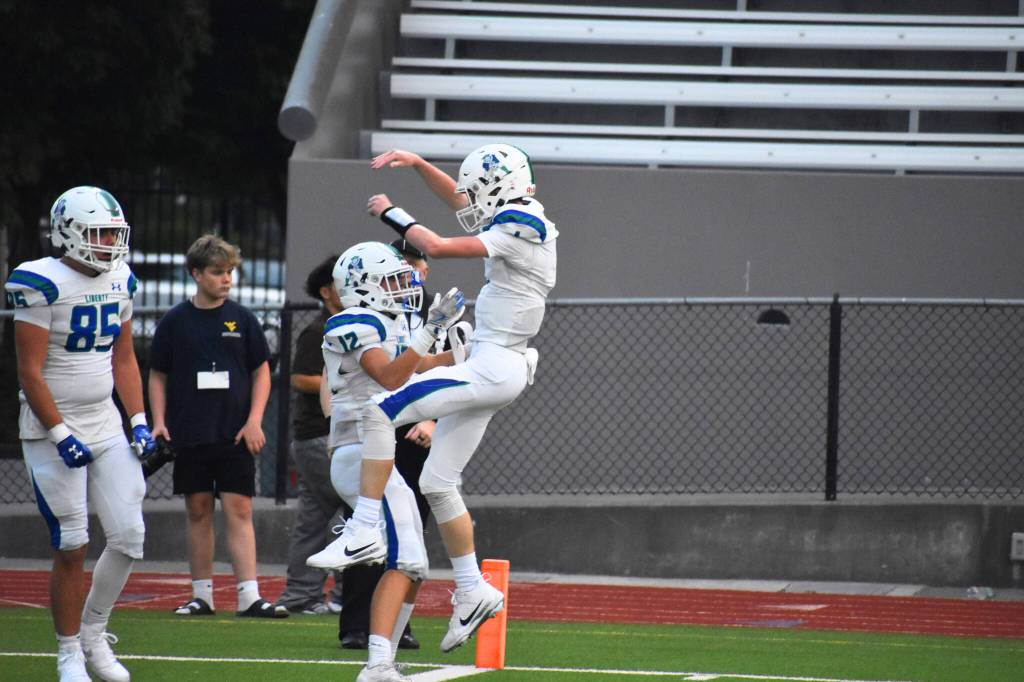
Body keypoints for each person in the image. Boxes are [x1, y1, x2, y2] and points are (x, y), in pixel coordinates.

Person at [319, 143, 556, 673]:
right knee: (439, 483)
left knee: (379, 412)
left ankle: (360, 528)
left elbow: (436, 244)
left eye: (478, 189)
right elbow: (462, 201)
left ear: (497, 187)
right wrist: (422, 165)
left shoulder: (520, 223)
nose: (469, 199)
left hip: (491, 364)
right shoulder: (518, 215)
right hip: (502, 364)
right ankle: (472, 590)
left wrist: (389, 213)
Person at [5, 186, 157, 682]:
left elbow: (124, 357)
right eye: (101, 232)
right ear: (68, 233)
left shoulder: (121, 278)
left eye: (115, 232)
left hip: (104, 420)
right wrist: (59, 431)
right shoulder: (40, 281)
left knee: (129, 534)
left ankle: (94, 632)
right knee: (72, 543)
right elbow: (29, 371)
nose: (110, 242)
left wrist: (137, 418)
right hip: (52, 425)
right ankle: (68, 651)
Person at [305, 241, 465, 682]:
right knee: (407, 560)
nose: (403, 288)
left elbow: (417, 367)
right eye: (392, 281)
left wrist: (467, 356)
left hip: (376, 454)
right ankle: (377, 664)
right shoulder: (352, 322)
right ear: (362, 287)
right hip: (356, 455)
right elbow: (391, 376)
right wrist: (430, 329)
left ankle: (383, 661)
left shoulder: (388, 322)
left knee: (415, 564)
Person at [148, 234, 287, 619]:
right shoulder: (176, 321)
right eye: (216, 272)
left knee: (240, 508)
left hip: (235, 431)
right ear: (196, 273)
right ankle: (202, 596)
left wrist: (254, 420)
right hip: (190, 430)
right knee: (197, 508)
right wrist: (159, 422)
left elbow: (262, 371)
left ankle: (249, 596)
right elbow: (158, 374)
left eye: (229, 272)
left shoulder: (243, 319)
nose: (225, 279)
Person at [275, 255, 346, 616]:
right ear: (325, 291)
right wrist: (349, 380)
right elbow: (299, 377)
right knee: (356, 508)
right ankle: (347, 592)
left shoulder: (343, 326)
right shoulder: (319, 330)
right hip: (319, 435)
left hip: (315, 438)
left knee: (314, 518)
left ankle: (301, 595)